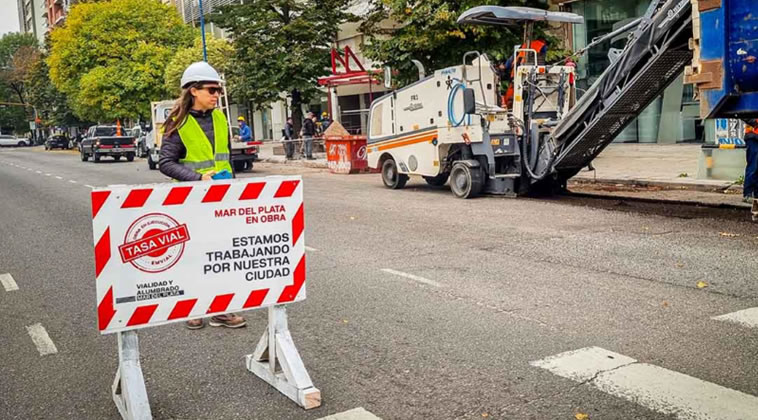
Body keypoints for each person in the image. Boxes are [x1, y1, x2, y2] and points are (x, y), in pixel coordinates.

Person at [158, 61, 246, 330]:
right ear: (193, 90)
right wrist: (198, 178)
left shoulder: (220, 118)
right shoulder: (178, 122)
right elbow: (165, 162)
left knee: (221, 254)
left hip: (221, 199)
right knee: (194, 255)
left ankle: (220, 310)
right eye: (211, 90)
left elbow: (225, 158)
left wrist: (233, 187)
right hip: (191, 202)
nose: (216, 95)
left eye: (218, 90)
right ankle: (193, 308)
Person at [498, 39, 548, 109]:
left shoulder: (525, 45)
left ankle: (510, 107)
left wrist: (505, 66)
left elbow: (512, 58)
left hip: (518, 69)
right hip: (523, 68)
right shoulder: (542, 46)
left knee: (513, 91)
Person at [743, 118, 758, 203]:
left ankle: (755, 193)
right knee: (753, 166)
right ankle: (749, 193)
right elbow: (744, 114)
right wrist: (754, 122)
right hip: (753, 136)